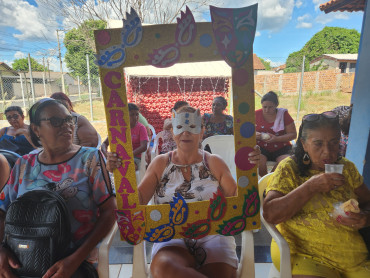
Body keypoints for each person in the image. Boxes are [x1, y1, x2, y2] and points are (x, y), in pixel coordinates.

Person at [106, 106, 261, 278]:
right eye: (180, 127)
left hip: (213, 236)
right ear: (172, 132)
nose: (185, 133)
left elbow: (237, 197)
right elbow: (139, 199)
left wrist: (250, 169)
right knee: (164, 269)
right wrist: (120, 176)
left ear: (202, 131)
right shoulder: (160, 163)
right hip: (170, 237)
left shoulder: (214, 162)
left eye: (192, 127)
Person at [0, 98, 117, 277]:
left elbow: (110, 211)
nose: (67, 126)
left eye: (69, 120)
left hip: (74, 260)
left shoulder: (90, 159)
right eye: (56, 121)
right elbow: (2, 211)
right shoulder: (24, 164)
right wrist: (1, 250)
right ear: (36, 129)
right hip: (23, 257)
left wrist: (76, 258)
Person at [263, 111, 370, 277]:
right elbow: (270, 214)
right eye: (318, 144)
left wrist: (365, 217)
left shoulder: (347, 168)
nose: (327, 152)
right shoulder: (290, 168)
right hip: (305, 254)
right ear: (304, 144)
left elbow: (367, 201)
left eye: (334, 143)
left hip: (352, 255)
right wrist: (311, 186)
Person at [255, 91, 297, 177]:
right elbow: (246, 131)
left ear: (276, 105)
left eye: (270, 107)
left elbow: (293, 134)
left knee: (285, 162)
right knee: (259, 161)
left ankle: (271, 179)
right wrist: (255, 135)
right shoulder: (255, 114)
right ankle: (264, 180)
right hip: (262, 147)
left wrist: (276, 139)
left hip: (282, 148)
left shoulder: (283, 115)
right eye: (264, 107)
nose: (267, 110)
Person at [102, 103, 149, 170]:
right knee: (110, 166)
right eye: (132, 115)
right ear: (125, 116)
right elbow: (104, 144)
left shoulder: (141, 128)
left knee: (127, 166)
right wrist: (107, 155)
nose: (135, 117)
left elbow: (144, 146)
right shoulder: (118, 128)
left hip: (136, 157)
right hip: (119, 158)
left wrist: (128, 155)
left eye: (137, 114)